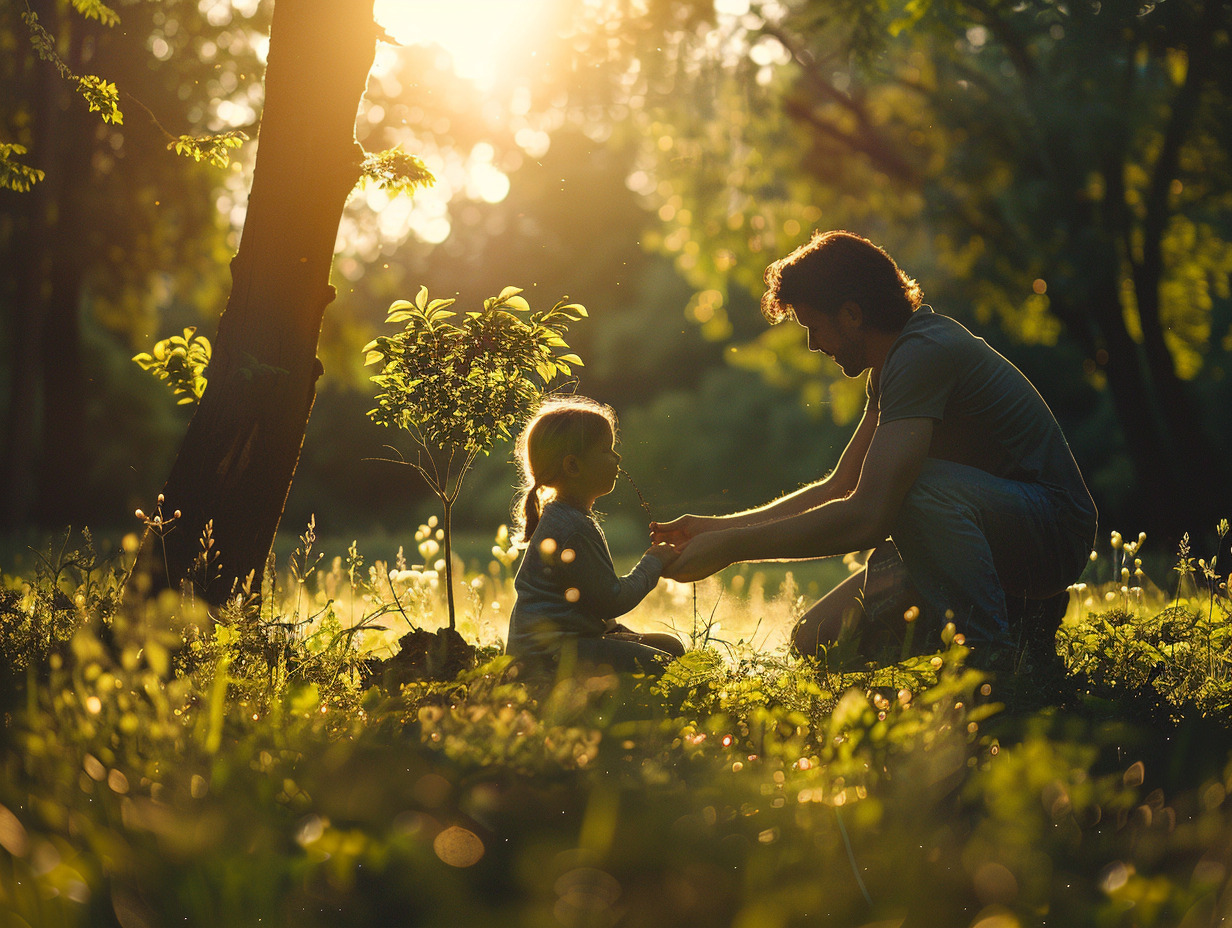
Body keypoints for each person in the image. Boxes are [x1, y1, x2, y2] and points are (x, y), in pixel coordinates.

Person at [652, 230, 1097, 669]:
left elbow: (868, 516)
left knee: (915, 490)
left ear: (851, 314)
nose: (812, 344)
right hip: (981, 531)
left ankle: (992, 661)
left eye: (814, 326)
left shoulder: (923, 353)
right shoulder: (889, 367)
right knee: (818, 640)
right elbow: (843, 485)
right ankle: (1019, 629)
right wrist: (714, 530)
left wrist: (732, 549)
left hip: (1051, 534)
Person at [507, 395, 685, 675]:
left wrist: (614, 631)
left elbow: (586, 597)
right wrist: (654, 562)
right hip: (550, 657)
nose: (617, 457)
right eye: (606, 450)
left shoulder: (567, 518)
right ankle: (624, 712)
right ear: (573, 466)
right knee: (664, 665)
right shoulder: (574, 528)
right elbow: (612, 599)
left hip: (560, 647)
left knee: (670, 647)